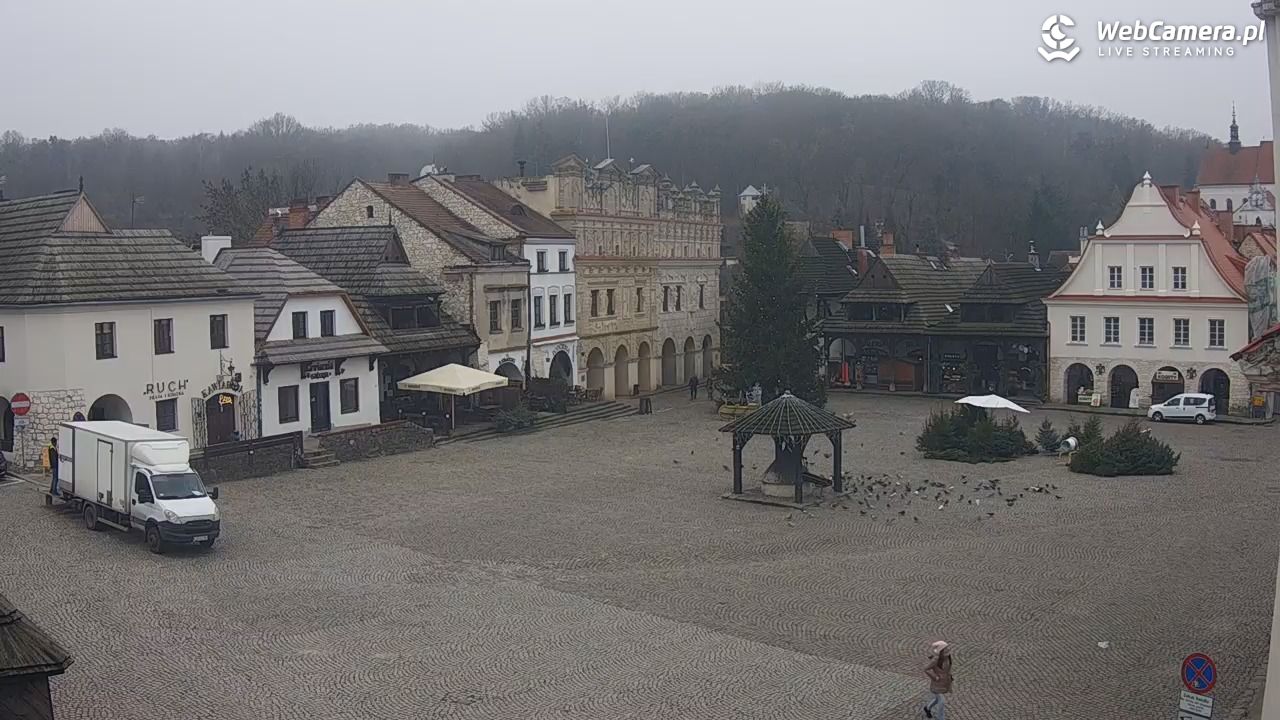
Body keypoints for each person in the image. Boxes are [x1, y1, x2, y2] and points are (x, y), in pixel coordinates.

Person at [923, 640, 953, 719]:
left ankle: (927, 708)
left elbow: (947, 669)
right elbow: (926, 669)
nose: (948, 649)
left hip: (944, 683)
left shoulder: (948, 658)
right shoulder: (935, 660)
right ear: (941, 651)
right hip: (937, 684)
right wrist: (935, 677)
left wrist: (950, 677)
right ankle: (941, 718)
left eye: (947, 647)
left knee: (937, 699)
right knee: (941, 702)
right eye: (945, 648)